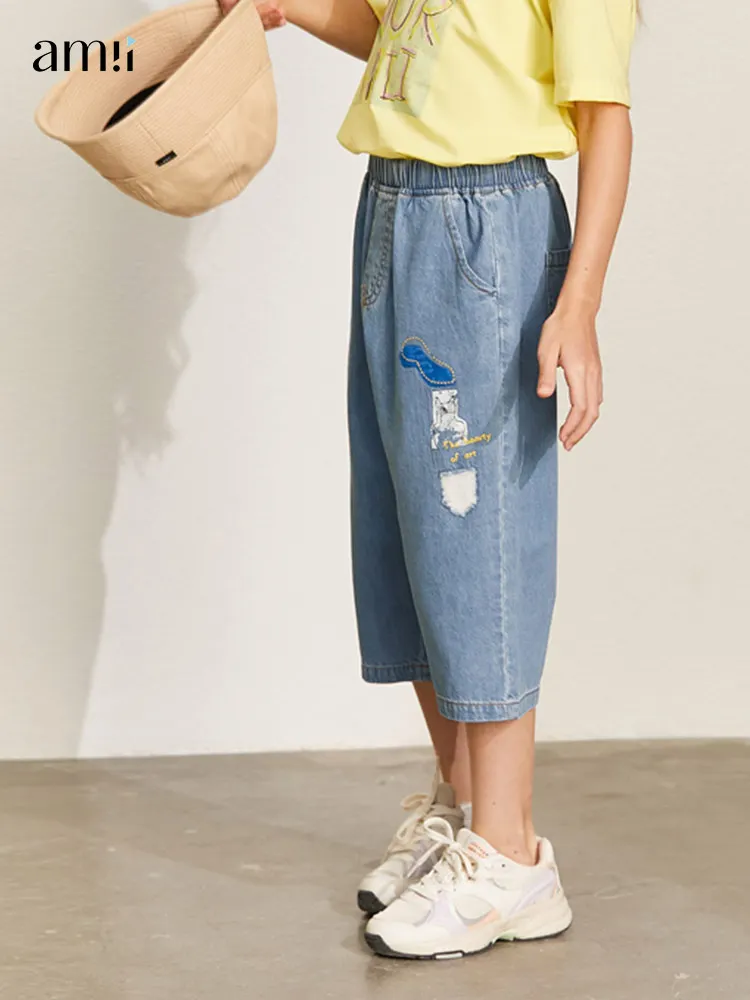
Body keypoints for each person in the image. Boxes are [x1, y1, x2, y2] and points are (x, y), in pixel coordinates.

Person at [222, 0, 636, 960]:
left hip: (485, 225)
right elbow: (406, 37)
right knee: (403, 533)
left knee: (476, 535)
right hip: (391, 211)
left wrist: (579, 302)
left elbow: (605, 115)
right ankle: (466, 805)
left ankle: (512, 854)